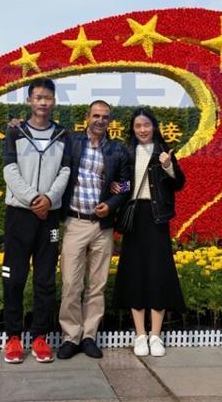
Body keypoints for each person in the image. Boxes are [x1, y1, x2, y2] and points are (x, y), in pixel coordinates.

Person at [1, 78, 70, 363]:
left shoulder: (63, 135)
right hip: (20, 213)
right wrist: (32, 200)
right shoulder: (15, 132)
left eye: (48, 98)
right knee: (14, 278)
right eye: (38, 97)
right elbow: (9, 169)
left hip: (49, 216)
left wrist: (48, 200)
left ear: (54, 102)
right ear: (30, 101)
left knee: (45, 279)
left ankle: (40, 337)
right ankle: (13, 337)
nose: (43, 102)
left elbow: (66, 171)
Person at [56, 100, 131, 360]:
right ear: (87, 117)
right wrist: (17, 126)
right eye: (96, 115)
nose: (100, 120)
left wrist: (110, 205)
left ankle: (89, 336)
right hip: (75, 222)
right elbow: (46, 137)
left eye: (105, 117)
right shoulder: (72, 142)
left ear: (110, 121)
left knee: (97, 285)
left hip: (102, 226)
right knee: (70, 283)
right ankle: (70, 337)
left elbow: (125, 185)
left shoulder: (117, 150)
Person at [112, 107, 185, 357]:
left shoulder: (163, 152)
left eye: (146, 125)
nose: (142, 130)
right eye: (137, 126)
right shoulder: (126, 152)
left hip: (157, 219)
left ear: (154, 126)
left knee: (158, 274)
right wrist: (116, 185)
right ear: (133, 130)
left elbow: (179, 183)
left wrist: (168, 167)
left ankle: (156, 336)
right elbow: (122, 185)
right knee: (135, 274)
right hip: (134, 218)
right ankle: (140, 335)